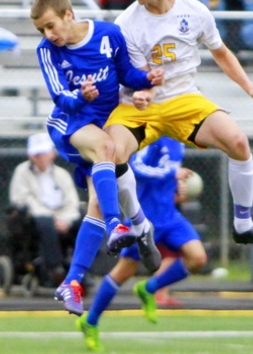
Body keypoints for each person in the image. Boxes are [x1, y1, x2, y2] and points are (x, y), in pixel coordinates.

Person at [106, 0, 253, 273]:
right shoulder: (127, 22)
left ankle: (244, 224)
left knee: (238, 142)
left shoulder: (194, 11)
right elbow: (133, 73)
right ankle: (139, 225)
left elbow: (220, 52)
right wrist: (142, 88)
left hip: (185, 100)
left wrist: (249, 87)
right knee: (112, 155)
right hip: (140, 104)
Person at [30, 0, 164, 316]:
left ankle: (72, 282)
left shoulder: (108, 34)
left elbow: (127, 75)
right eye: (42, 30)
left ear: (68, 14)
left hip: (107, 122)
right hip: (71, 123)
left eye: (50, 26)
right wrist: (80, 96)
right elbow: (60, 96)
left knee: (99, 198)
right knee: (108, 150)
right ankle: (123, 226)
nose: (49, 35)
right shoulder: (48, 50)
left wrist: (147, 78)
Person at [78, 137, 207, 352]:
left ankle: (149, 288)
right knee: (123, 272)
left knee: (198, 258)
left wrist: (178, 188)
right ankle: (89, 321)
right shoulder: (148, 135)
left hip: (170, 216)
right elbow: (134, 169)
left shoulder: (178, 140)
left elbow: (167, 172)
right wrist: (170, 175)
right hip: (143, 219)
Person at [8, 132, 81, 288]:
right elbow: (22, 199)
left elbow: (71, 201)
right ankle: (55, 268)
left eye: (43, 153)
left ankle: (81, 268)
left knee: (84, 220)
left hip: (63, 217)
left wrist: (66, 221)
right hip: (35, 220)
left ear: (52, 154)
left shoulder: (62, 175)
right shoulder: (22, 172)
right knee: (45, 223)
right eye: (36, 154)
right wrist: (52, 219)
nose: (39, 157)